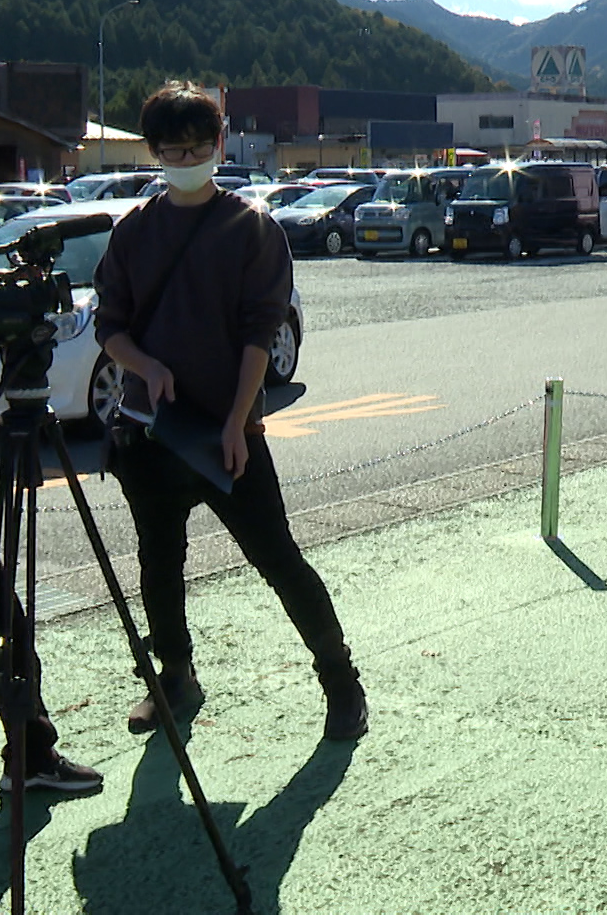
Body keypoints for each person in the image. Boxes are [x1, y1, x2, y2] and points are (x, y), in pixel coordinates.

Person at [94, 83, 368, 741]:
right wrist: (147, 367)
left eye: (197, 147)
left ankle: (341, 681)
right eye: (173, 150)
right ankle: (175, 677)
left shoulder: (252, 227)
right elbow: (110, 327)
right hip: (151, 433)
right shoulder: (134, 231)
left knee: (278, 558)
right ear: (154, 152)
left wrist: (239, 421)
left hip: (228, 433)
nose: (187, 160)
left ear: (219, 145)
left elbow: (258, 334)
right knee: (159, 564)